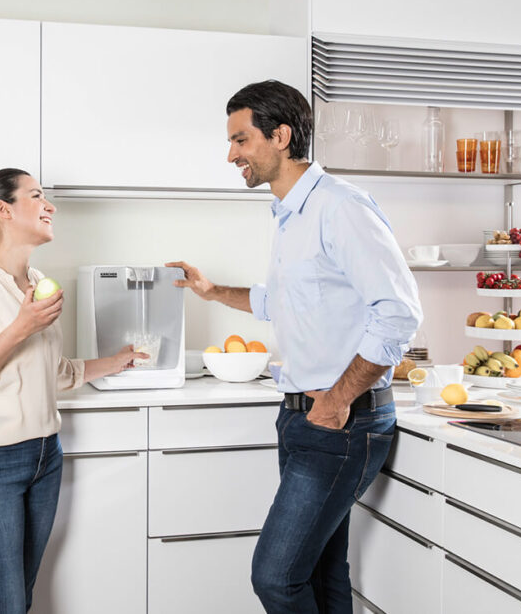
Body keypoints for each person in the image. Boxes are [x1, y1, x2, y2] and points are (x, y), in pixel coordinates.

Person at [168, 81, 422, 614]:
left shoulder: (340, 208)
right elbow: (285, 300)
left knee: (276, 578)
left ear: (280, 136)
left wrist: (335, 401)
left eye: (241, 139)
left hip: (340, 424)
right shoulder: (290, 213)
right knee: (324, 575)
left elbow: (398, 313)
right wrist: (213, 292)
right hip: (304, 419)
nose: (231, 154)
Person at [0, 167, 144, 614]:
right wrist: (22, 327)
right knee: (6, 606)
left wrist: (117, 360)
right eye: (36, 196)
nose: (49, 205)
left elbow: (52, 371)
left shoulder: (35, 280)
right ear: (3, 210)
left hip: (43, 457)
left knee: (19, 601)